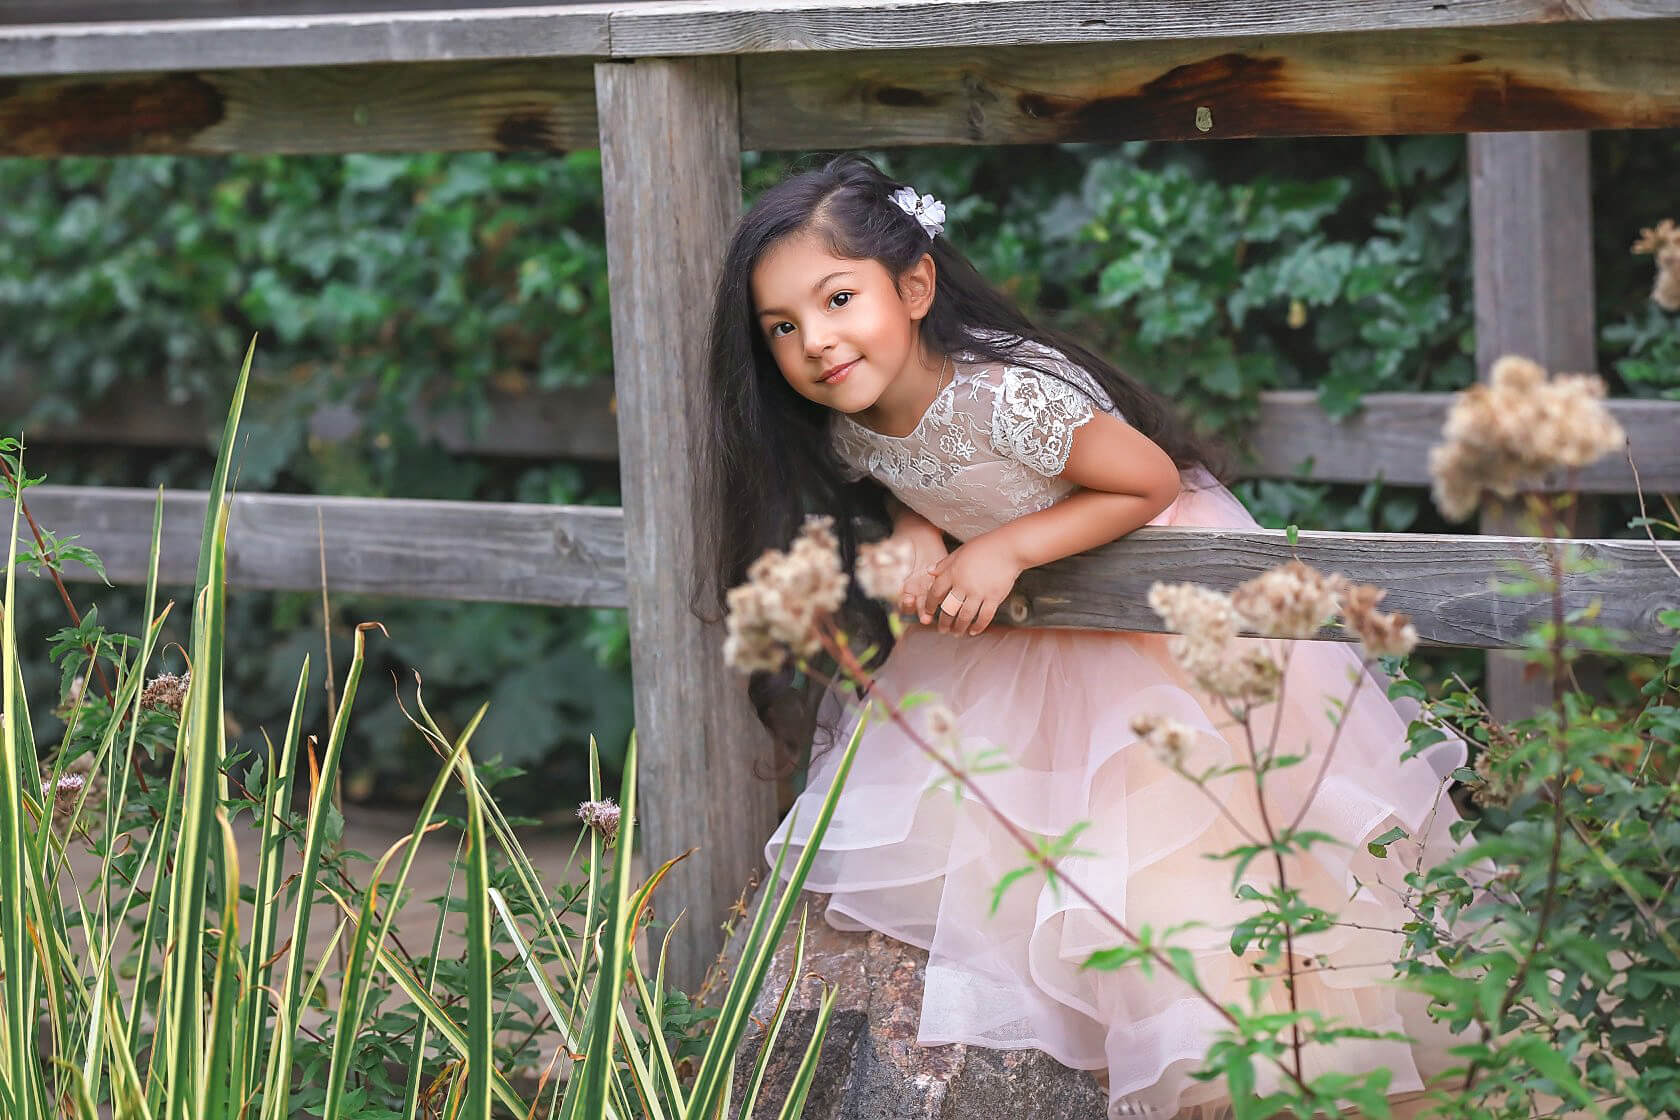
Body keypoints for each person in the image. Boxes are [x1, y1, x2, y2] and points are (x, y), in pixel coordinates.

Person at [696, 154, 1471, 1119]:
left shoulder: (1009, 396)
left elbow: (1145, 484)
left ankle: (1267, 1065)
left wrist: (1009, 548)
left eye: (838, 298)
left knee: (1181, 847)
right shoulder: (852, 424)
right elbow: (911, 477)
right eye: (782, 326)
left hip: (1148, 608)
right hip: (1026, 624)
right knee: (1008, 844)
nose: (815, 341)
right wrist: (917, 535)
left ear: (915, 284)